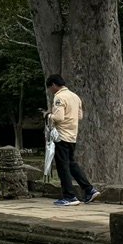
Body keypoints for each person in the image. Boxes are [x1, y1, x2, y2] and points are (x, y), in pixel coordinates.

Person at [44, 75, 101, 207]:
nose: (50, 91)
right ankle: (89, 190)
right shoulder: (75, 96)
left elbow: (58, 117)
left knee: (62, 167)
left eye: (50, 88)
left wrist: (48, 115)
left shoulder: (59, 97)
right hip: (72, 135)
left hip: (61, 136)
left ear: (53, 85)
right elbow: (79, 116)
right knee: (71, 164)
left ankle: (69, 196)